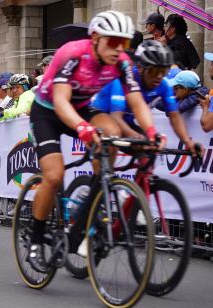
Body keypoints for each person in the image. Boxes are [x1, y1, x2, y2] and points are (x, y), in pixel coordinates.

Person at [28, 11, 160, 272]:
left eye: (123, 43)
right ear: (96, 38)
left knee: (111, 133)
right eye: (113, 42)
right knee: (53, 176)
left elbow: (136, 100)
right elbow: (60, 101)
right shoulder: (72, 53)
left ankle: (94, 199)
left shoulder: (121, 62)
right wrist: (82, 127)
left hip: (81, 107)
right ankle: (34, 238)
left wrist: (152, 130)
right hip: (49, 111)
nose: (119, 49)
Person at [92, 40, 198, 154]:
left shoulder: (163, 84)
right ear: (140, 68)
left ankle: (144, 172)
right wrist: (136, 136)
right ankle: (104, 171)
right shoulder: (124, 79)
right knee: (111, 141)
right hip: (101, 116)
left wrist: (188, 142)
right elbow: (115, 117)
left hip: (126, 121)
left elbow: (174, 116)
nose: (159, 76)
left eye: (163, 71)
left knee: (148, 151)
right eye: (154, 71)